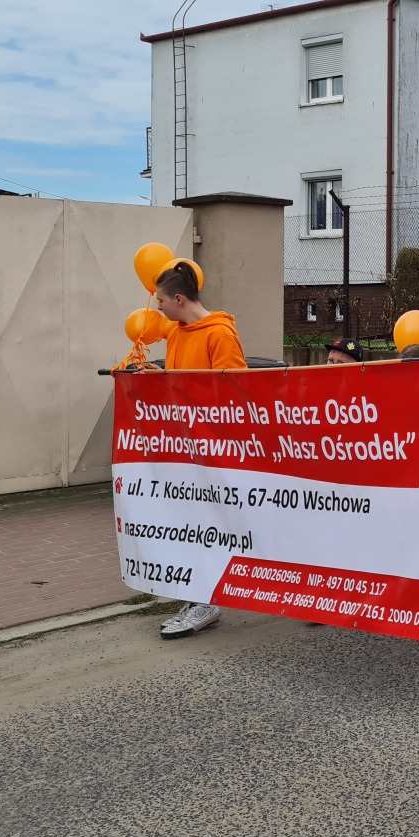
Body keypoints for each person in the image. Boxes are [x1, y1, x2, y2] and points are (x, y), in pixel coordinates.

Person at [149, 260, 247, 640]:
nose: (157, 307)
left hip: (212, 450)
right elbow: (181, 381)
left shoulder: (219, 335)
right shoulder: (177, 333)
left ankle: (206, 600)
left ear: (178, 299)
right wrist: (160, 378)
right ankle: (199, 598)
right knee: (189, 525)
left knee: (207, 525)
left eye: (160, 300)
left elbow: (235, 393)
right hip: (184, 448)